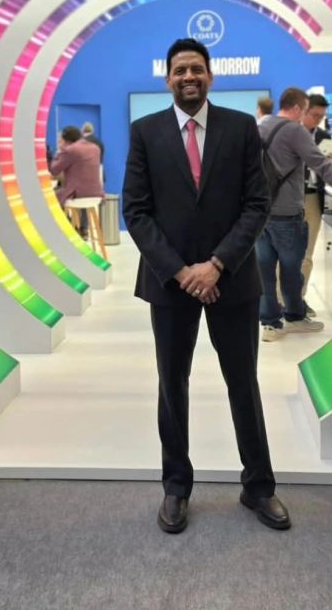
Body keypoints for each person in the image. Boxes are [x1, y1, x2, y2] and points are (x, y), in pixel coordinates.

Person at [123, 38, 290, 533]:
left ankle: (259, 486)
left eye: (196, 69)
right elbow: (136, 210)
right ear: (168, 79)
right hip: (169, 283)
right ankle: (176, 486)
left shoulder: (240, 128)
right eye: (180, 70)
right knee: (172, 384)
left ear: (210, 76)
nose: (188, 77)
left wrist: (216, 265)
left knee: (244, 383)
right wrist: (182, 272)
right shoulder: (145, 132)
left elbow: (257, 203)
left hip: (231, 279)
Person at [258, 89, 332, 339]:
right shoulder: (295, 130)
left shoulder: (262, 125)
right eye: (306, 110)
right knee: (292, 269)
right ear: (297, 108)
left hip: (260, 213)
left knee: (265, 270)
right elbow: (320, 164)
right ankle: (294, 317)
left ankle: (270, 324)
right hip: (288, 213)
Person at [300, 93, 332, 316]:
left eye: (321, 117)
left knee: (307, 253)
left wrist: (330, 163)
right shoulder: (290, 133)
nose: (317, 120)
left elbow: (329, 171)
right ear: (304, 110)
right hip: (290, 198)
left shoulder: (325, 136)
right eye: (314, 115)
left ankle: (300, 299)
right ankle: (279, 301)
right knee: (283, 254)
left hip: (314, 197)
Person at [49, 126, 104, 208]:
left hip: (76, 195)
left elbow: (54, 170)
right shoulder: (95, 148)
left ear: (66, 140)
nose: (59, 143)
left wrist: (59, 152)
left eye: (60, 141)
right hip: (96, 194)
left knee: (47, 197)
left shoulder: (70, 150)